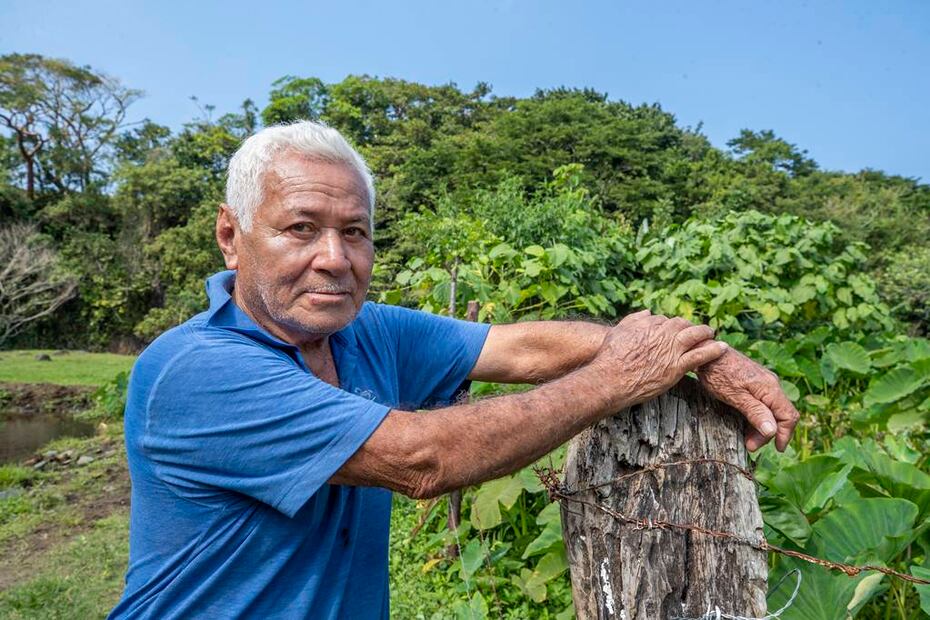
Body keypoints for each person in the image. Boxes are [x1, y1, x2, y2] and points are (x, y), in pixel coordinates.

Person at [108, 121, 799, 619]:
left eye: (355, 232)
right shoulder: (196, 371)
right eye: (301, 229)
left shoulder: (364, 332)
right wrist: (618, 379)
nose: (335, 258)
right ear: (231, 236)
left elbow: (523, 348)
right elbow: (422, 460)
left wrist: (700, 356)